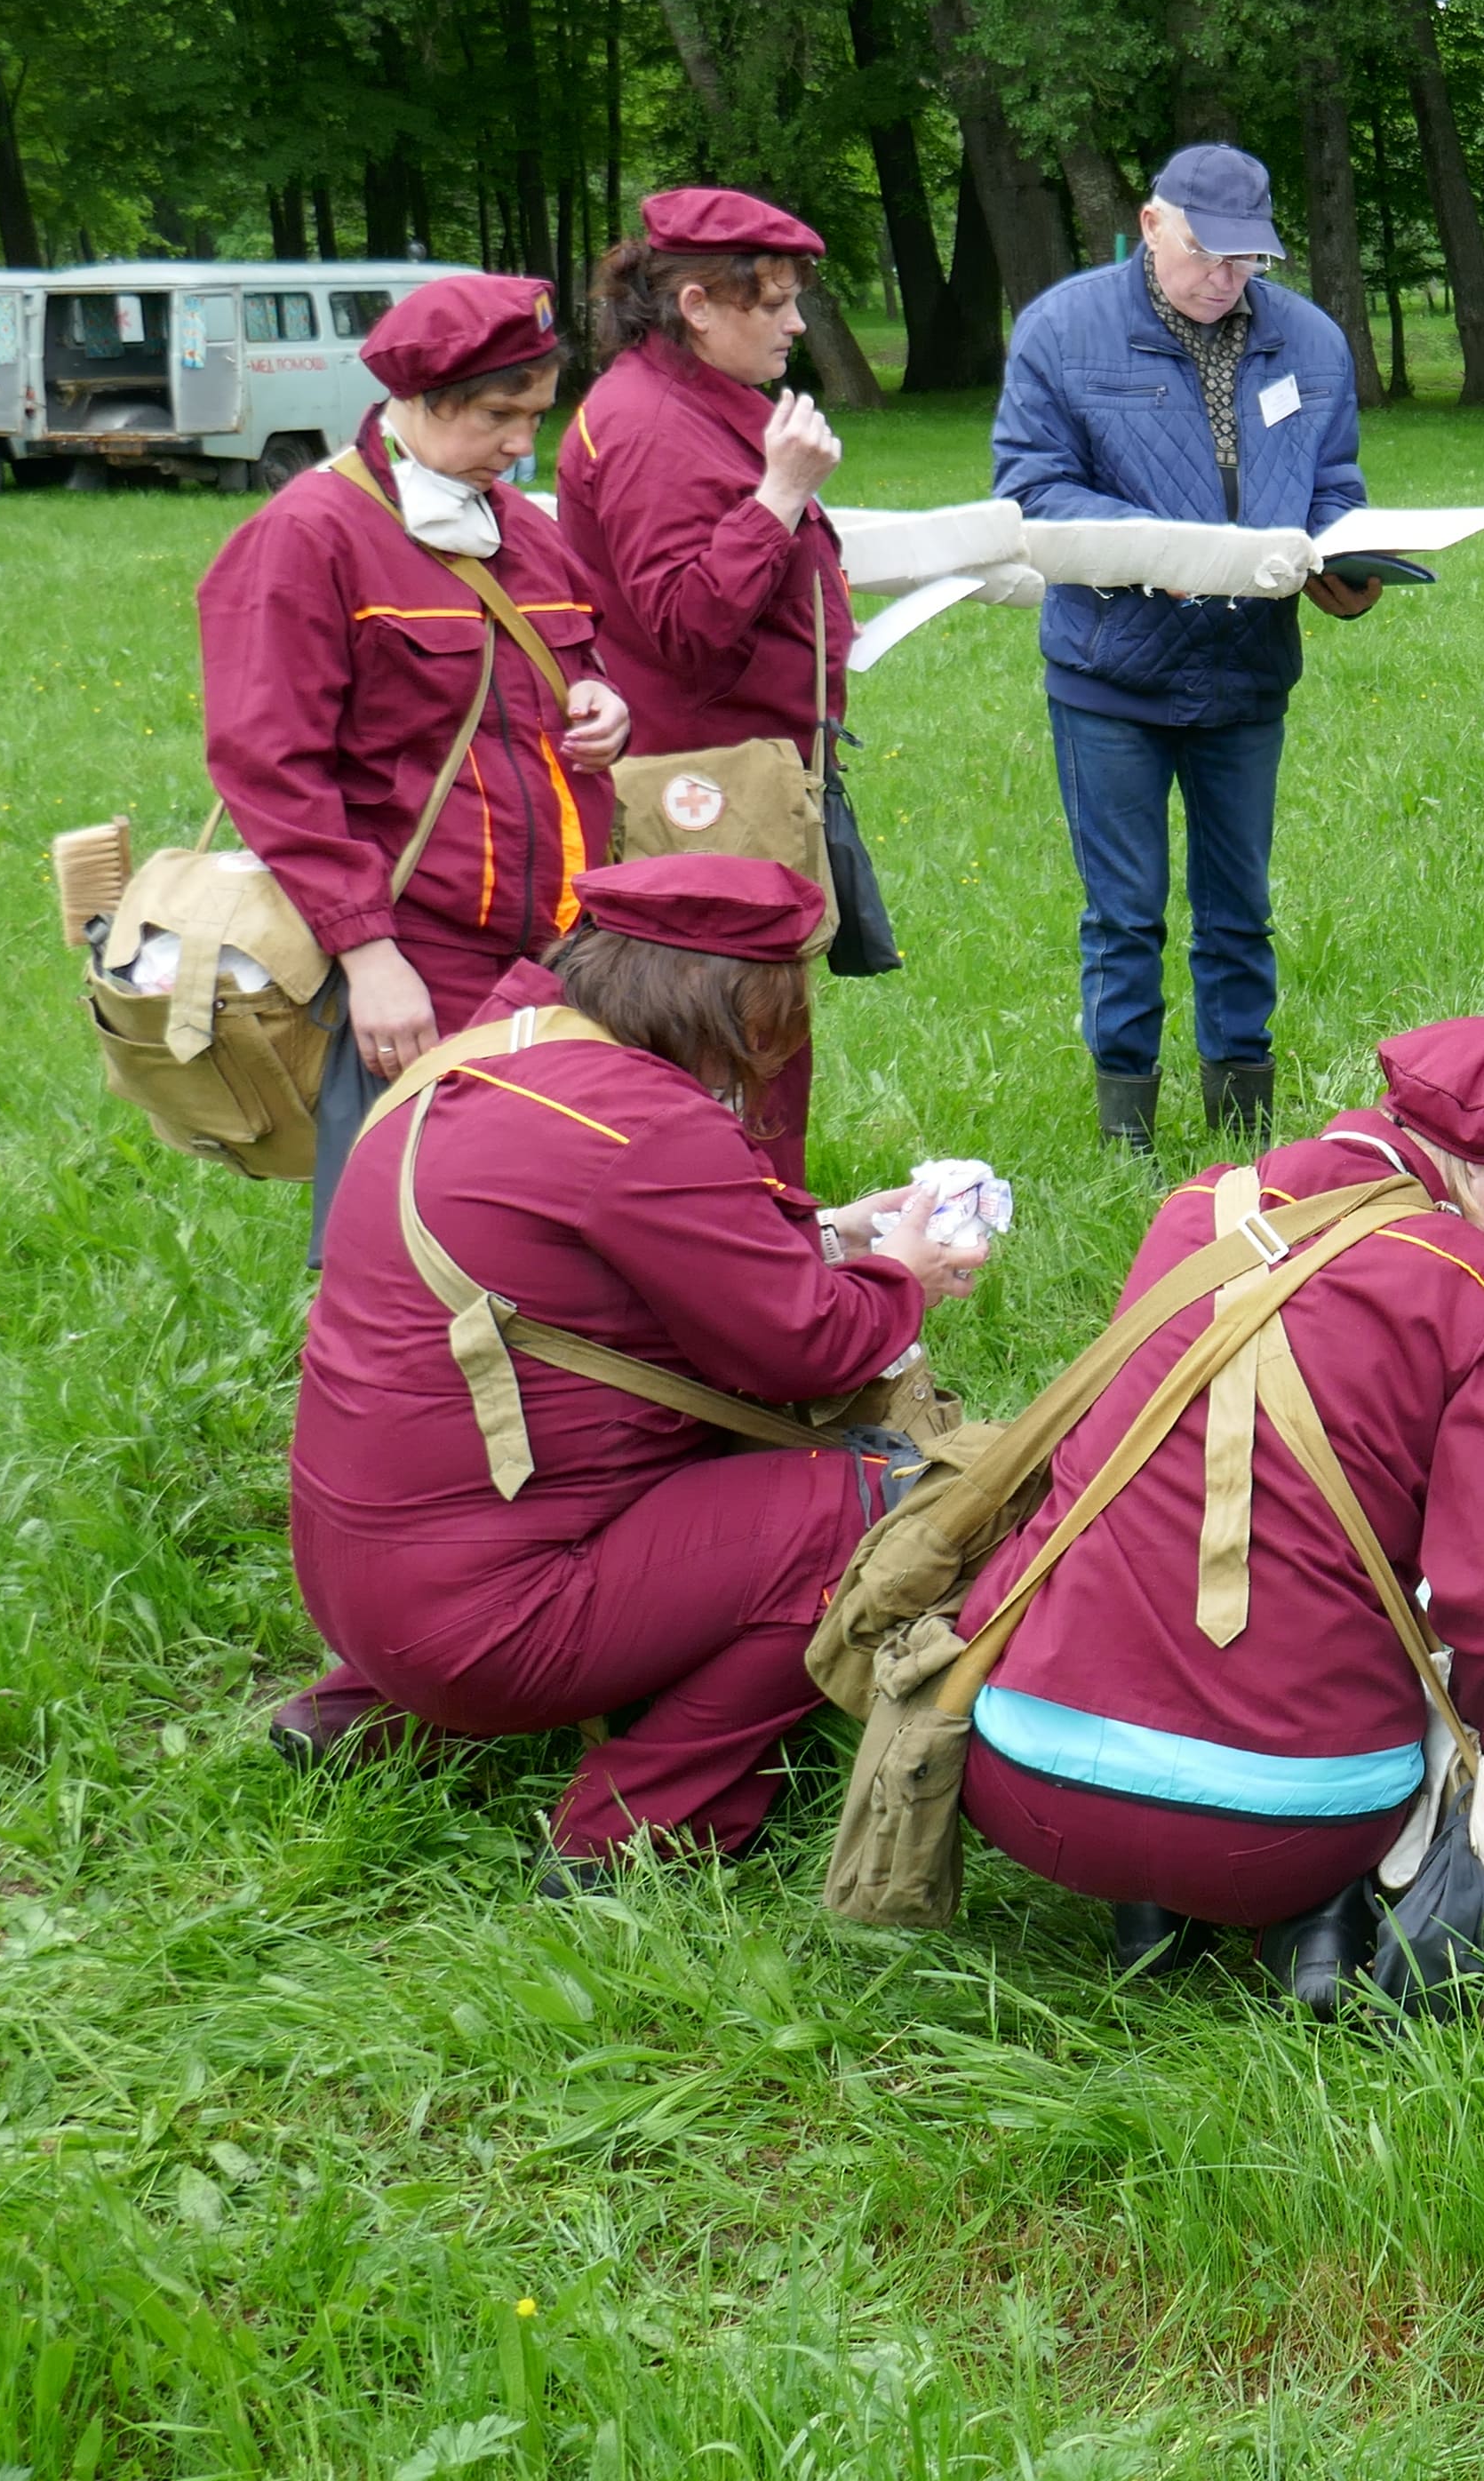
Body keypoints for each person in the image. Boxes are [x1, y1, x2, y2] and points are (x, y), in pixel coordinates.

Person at [272, 856, 985, 1881]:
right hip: (480, 1626)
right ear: (733, 1007)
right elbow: (810, 1343)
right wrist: (898, 1274)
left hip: (354, 1584)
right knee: (885, 1507)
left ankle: (366, 1719)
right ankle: (638, 1829)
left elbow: (601, 1270)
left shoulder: (488, 1055)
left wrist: (832, 1230)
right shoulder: (645, 1124)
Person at [953, 1017, 1484, 2016]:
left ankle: (1149, 1910)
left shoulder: (1197, 1212)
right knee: (1436, 1677)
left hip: (1023, 1779)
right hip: (1291, 1827)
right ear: (1479, 1165)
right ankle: (1315, 1916)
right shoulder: (1476, 1287)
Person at [196, 271, 631, 1236]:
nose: (523, 445)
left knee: (556, 1216)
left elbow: (576, 657)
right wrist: (370, 955)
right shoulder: (309, 535)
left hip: (566, 945)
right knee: (417, 1230)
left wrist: (604, 702)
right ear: (417, 402)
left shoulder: (522, 526)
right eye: (496, 416)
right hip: (421, 951)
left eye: (536, 415)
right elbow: (271, 767)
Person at [995, 141, 1384, 1151]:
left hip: (1246, 669)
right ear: (1152, 222)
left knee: (1239, 908)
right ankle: (1126, 1129)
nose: (1225, 278)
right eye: (1207, 253)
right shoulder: (1064, 329)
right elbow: (1031, 489)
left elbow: (1333, 484)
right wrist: (1148, 551)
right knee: (1124, 913)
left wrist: (1349, 563)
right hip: (1109, 671)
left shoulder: (1308, 342)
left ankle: (1243, 1126)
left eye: (1247, 260)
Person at [556, 186, 860, 1186]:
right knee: (730, 1048)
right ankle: (750, 1252)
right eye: (770, 302)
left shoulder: (692, 402)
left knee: (752, 1037)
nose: (795, 322)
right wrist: (779, 497)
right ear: (696, 305)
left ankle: (763, 1251)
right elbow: (688, 628)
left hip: (740, 774)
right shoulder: (647, 424)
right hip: (701, 799)